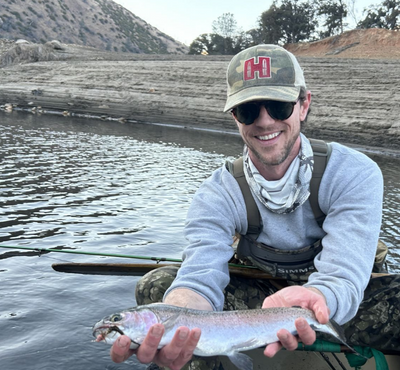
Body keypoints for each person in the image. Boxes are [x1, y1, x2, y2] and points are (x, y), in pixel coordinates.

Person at [109, 45, 397, 370]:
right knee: (157, 286)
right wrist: (175, 318)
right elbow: (199, 276)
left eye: (278, 105)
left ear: (303, 105)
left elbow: (343, 277)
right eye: (248, 110)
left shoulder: (355, 173)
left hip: (341, 299)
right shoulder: (217, 193)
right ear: (235, 117)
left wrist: (318, 300)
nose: (264, 121)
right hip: (260, 296)